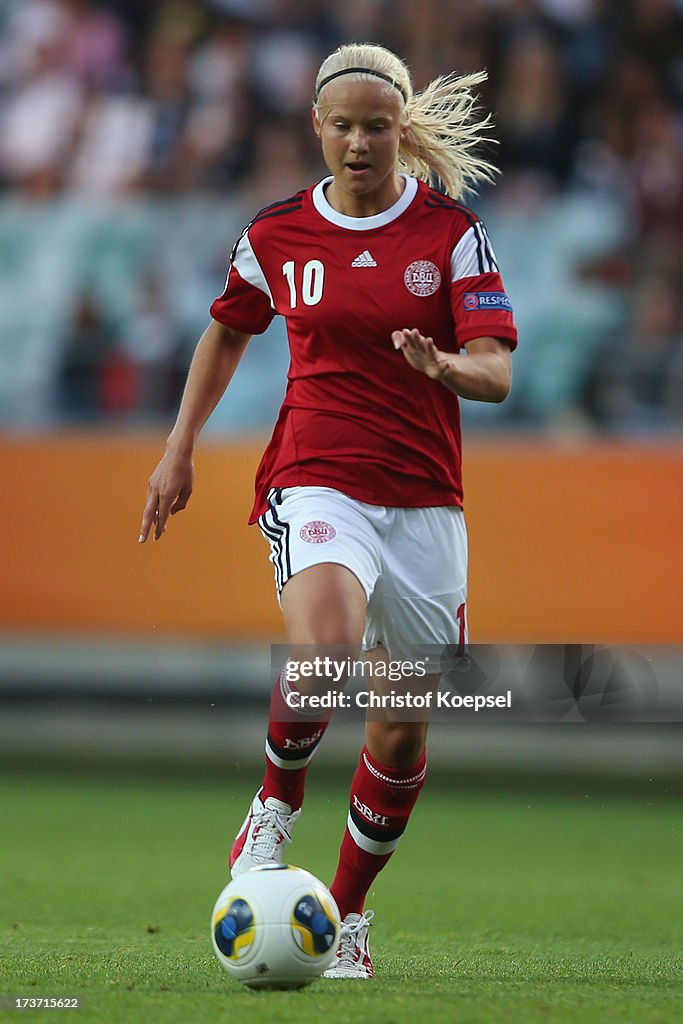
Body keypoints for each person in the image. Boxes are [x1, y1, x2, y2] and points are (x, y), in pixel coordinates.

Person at [139, 42, 517, 979]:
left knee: (399, 728)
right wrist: (177, 449)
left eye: (376, 127)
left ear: (400, 133)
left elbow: (499, 372)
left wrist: (444, 367)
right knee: (323, 651)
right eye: (341, 125)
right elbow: (226, 330)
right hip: (315, 474)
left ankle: (340, 918)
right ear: (316, 126)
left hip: (424, 499)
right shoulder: (274, 235)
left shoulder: (448, 235)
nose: (358, 142)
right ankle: (272, 810)